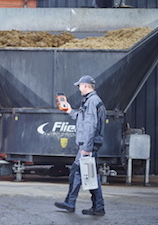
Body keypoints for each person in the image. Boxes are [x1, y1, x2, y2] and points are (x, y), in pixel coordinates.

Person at [54, 75, 106, 216]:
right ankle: (98, 207)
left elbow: (90, 126)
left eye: (79, 86)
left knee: (76, 172)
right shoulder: (92, 101)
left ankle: (70, 203)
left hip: (88, 145)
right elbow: (82, 119)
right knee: (90, 175)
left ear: (85, 85)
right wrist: (69, 110)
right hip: (91, 144)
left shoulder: (92, 101)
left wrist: (86, 149)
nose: (79, 89)